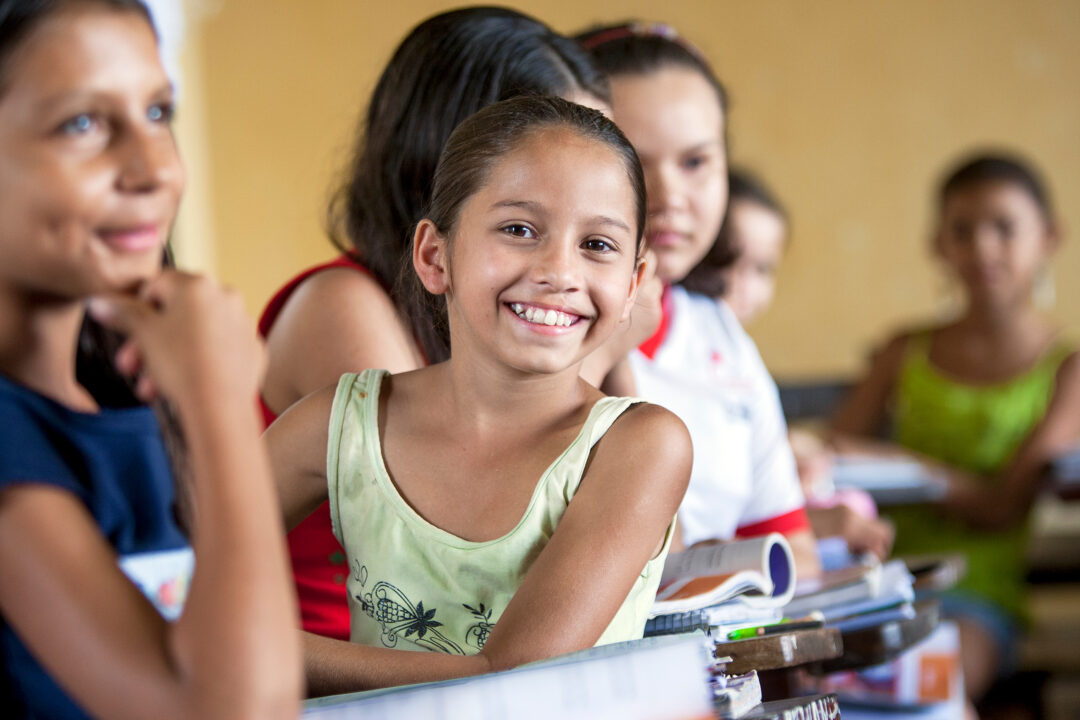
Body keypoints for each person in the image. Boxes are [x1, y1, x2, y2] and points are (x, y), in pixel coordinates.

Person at [267, 95, 690, 695]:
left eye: (597, 245)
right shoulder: (342, 424)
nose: (559, 272)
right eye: (519, 229)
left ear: (633, 286)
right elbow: (187, 571)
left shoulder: (638, 446)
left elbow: (515, 681)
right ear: (434, 256)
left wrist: (262, 650)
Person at [257, 7, 612, 641]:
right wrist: (604, 348)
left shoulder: (539, 319)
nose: (565, 265)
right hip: (339, 673)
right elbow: (465, 532)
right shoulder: (339, 303)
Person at [0, 1, 301, 718]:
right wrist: (220, 403)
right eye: (83, 124)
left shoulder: (112, 410)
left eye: (159, 112)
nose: (155, 168)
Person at [831, 153, 1080, 707]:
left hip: (977, 595)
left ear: (1049, 238)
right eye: (962, 230)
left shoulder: (1067, 369)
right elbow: (828, 456)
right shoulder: (904, 349)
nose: (982, 247)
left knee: (932, 691)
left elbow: (1000, 508)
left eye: (1004, 228)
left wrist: (915, 469)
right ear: (937, 244)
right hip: (872, 580)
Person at [578, 23, 820, 574]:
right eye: (633, 161)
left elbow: (794, 551)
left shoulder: (719, 335)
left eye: (695, 162)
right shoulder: (539, 324)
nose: (668, 198)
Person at [685, 169, 894, 561]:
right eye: (729, 261)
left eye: (762, 269)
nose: (743, 286)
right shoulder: (674, 349)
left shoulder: (739, 355)